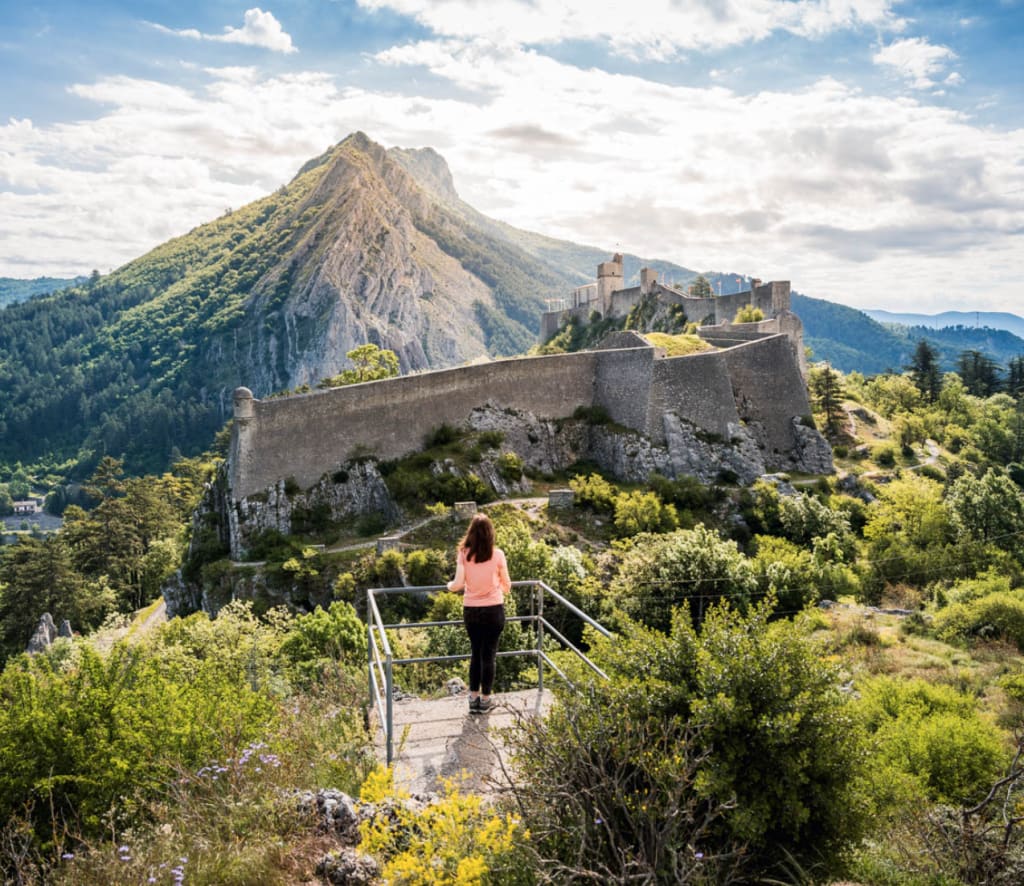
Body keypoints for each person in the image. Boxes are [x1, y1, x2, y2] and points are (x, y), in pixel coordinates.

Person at [447, 513, 511, 713]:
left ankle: (473, 698)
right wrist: (496, 585)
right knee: (489, 655)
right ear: (490, 533)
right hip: (494, 610)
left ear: (471, 533)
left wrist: (449, 585)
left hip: (472, 610)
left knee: (476, 653)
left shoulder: (464, 554)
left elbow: (457, 584)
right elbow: (507, 586)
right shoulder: (498, 554)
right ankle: (485, 700)